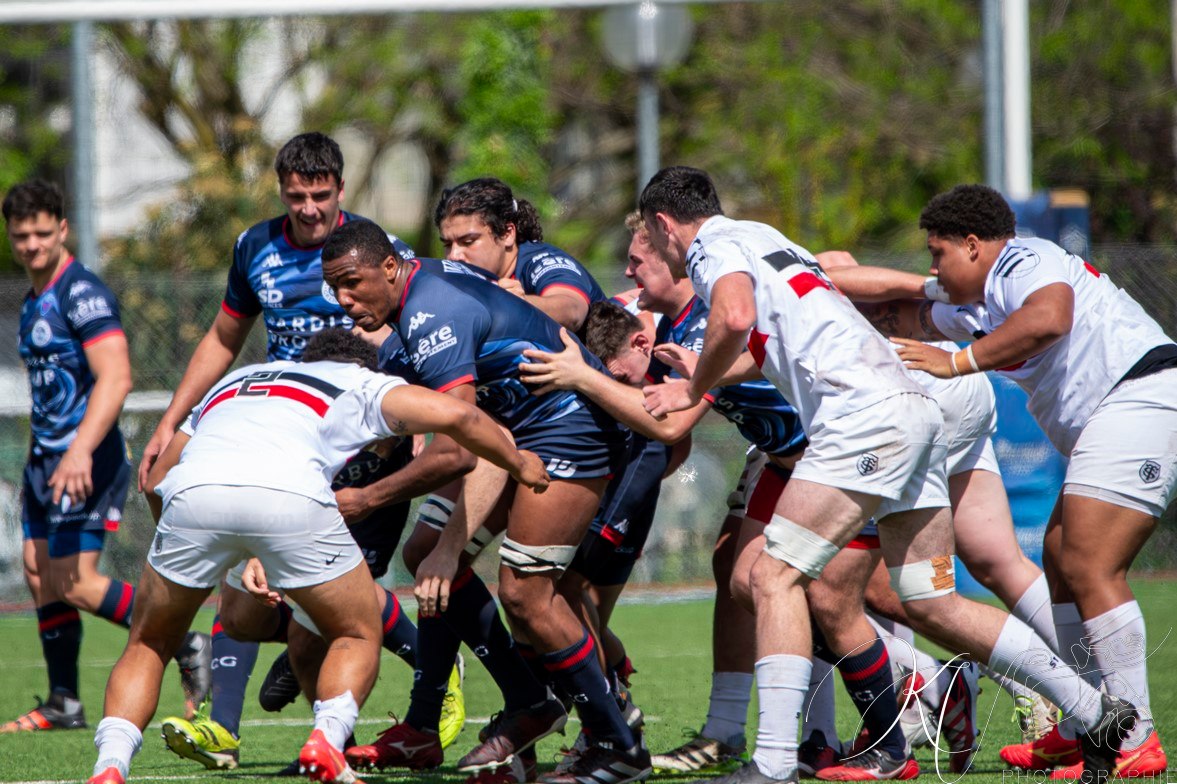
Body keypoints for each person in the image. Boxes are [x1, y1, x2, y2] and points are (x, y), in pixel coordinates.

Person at [637, 166, 1135, 784]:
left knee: (771, 578)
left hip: (862, 422)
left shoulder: (710, 249)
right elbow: (779, 339)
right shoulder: (762, 235)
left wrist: (694, 385)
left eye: (647, 243)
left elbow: (734, 317)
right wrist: (718, 372)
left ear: (665, 224)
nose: (649, 256)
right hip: (911, 413)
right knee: (932, 602)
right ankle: (1094, 711)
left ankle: (770, 764)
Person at [85, 330, 548, 784]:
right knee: (356, 630)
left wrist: (215, 553)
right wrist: (518, 461)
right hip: (292, 496)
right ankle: (326, 741)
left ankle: (110, 766)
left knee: (148, 642)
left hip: (192, 494)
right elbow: (461, 419)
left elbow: (157, 476)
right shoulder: (364, 381)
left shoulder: (241, 377)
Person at [133, 132, 462, 769]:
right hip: (274, 443)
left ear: (341, 189)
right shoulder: (254, 247)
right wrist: (172, 421)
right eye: (296, 196)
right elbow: (224, 337)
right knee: (247, 603)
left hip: (363, 443)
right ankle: (240, 725)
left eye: (321, 195)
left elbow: (413, 330)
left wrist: (412, 422)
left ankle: (432, 671)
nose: (309, 208)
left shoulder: (374, 247)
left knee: (341, 593)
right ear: (281, 191)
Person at [840, 184, 1177, 780]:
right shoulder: (974, 303)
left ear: (974, 246)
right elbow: (887, 307)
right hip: (1112, 417)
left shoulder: (1026, 258)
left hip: (1142, 397)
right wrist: (804, 282)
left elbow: (1051, 318)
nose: (932, 265)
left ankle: (1135, 738)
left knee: (1091, 565)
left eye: (938, 252)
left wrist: (958, 360)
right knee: (1057, 556)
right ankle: (1080, 730)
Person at [321, 219, 651, 784]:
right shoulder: (413, 314)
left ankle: (616, 744)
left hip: (569, 427)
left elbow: (455, 451)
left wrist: (366, 499)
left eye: (354, 284)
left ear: (390, 268)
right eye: (336, 289)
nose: (346, 301)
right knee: (426, 553)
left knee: (526, 593)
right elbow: (458, 429)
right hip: (516, 434)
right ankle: (528, 702)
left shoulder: (431, 316)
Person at [519, 214, 806, 776]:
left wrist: (582, 376)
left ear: (672, 252)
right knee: (742, 571)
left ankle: (933, 684)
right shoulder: (662, 319)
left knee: (868, 597)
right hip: (778, 456)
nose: (625, 270)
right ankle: (724, 730)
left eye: (636, 260)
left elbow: (672, 433)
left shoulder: (710, 316)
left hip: (829, 449)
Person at [1, 179, 210, 734]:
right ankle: (63, 702)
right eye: (21, 236)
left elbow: (115, 377)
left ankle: (185, 639)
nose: (32, 246)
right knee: (39, 573)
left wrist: (78, 452)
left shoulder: (81, 293)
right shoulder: (34, 299)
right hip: (46, 460)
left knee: (73, 580)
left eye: (43, 233)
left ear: (62, 229)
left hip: (85, 460)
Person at [435, 177, 606, 331]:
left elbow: (572, 312)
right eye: (448, 244)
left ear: (507, 233)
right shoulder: (454, 281)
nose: (454, 255)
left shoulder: (542, 262)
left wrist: (519, 303)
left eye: (468, 241)